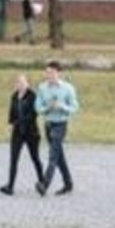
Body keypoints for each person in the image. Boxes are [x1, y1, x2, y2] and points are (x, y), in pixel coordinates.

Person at [33, 59, 79, 196]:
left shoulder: (68, 88)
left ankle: (44, 184)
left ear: (59, 73)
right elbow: (37, 107)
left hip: (60, 125)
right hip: (48, 125)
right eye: (47, 72)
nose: (49, 75)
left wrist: (62, 106)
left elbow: (75, 108)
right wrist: (48, 107)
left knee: (53, 155)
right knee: (59, 157)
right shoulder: (42, 88)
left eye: (52, 73)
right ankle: (68, 184)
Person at [0, 72, 45, 195]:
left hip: (31, 133)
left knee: (35, 158)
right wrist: (10, 123)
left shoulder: (32, 96)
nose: (20, 84)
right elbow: (11, 113)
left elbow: (32, 115)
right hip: (17, 133)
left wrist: (16, 122)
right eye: (18, 82)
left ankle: (42, 181)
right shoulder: (14, 96)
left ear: (27, 83)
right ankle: (10, 186)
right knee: (14, 159)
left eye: (23, 82)